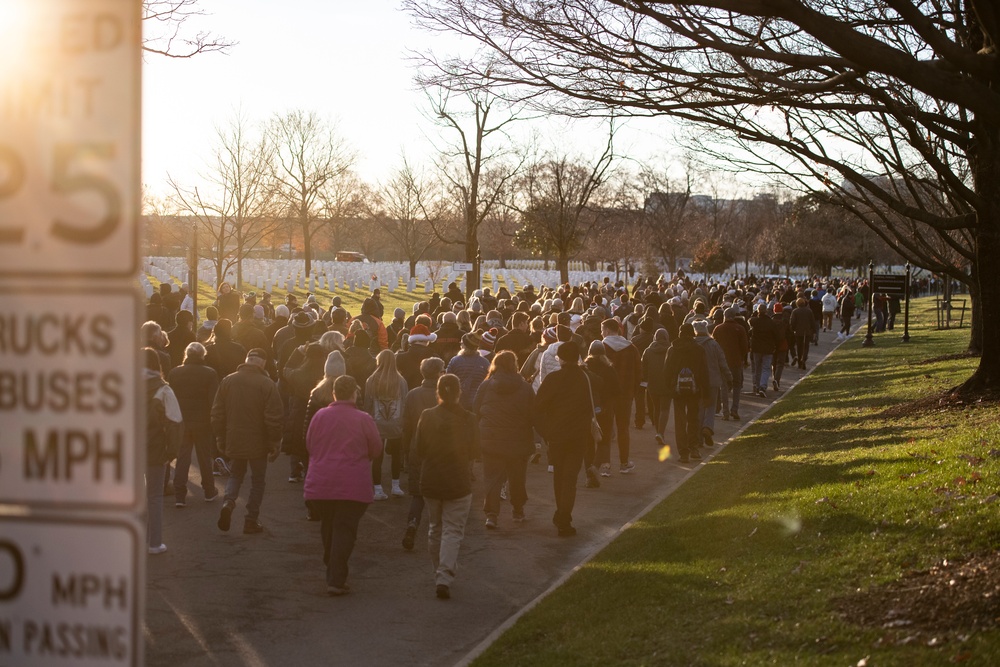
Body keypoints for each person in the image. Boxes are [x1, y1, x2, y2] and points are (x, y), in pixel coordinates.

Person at [304, 375, 383, 596]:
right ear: (355, 394)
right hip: (352, 484)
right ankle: (336, 577)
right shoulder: (363, 419)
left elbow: (309, 444)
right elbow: (376, 449)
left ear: (334, 393)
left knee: (329, 525)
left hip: (320, 483)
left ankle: (332, 565)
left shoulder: (319, 416)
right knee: (345, 529)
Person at [415, 374, 479, 600]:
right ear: (459, 392)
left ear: (438, 392)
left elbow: (418, 449)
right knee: (453, 530)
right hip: (458, 481)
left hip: (431, 479)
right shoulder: (469, 419)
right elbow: (475, 451)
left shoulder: (427, 416)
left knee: (435, 527)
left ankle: (440, 570)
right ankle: (444, 574)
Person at [211, 348, 284, 534]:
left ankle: (228, 502)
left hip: (234, 437)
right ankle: (251, 520)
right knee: (258, 481)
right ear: (263, 363)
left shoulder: (228, 381)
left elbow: (217, 413)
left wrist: (220, 436)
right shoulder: (267, 384)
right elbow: (273, 417)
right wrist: (275, 442)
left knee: (236, 474)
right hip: (259, 441)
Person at [535, 342, 591, 536]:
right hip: (579, 435)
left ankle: (562, 515)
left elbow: (538, 408)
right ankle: (564, 516)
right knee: (570, 478)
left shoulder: (553, 379)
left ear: (560, 358)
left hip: (557, 435)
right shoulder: (585, 378)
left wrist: (546, 433)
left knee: (560, 477)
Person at [475, 351, 535, 529]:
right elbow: (533, 414)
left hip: (490, 439)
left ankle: (492, 515)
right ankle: (518, 509)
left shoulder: (486, 386)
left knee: (492, 479)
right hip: (518, 439)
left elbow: (475, 409)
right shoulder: (525, 387)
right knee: (517, 478)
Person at [400, 356, 446, 551]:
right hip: (442, 451)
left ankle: (412, 523)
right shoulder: (445, 393)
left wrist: (405, 450)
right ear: (439, 373)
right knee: (442, 495)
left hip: (417, 448)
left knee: (418, 495)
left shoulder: (412, 395)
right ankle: (440, 534)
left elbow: (406, 425)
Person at [167, 342, 220, 506]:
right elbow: (214, 401)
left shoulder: (174, 373)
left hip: (182, 421)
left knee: (183, 457)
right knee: (205, 457)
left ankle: (180, 494)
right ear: (202, 355)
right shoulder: (210, 373)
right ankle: (209, 490)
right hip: (203, 422)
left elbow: (171, 399)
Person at [144, 348, 183, 555]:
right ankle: (154, 543)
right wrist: (171, 452)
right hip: (155, 448)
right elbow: (175, 421)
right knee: (154, 496)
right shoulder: (163, 389)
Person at [364, 349, 410, 500]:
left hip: (377, 422)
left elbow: (368, 403)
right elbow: (404, 402)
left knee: (378, 457)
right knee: (396, 454)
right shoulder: (401, 381)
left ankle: (377, 488)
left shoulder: (371, 380)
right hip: (395, 422)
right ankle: (395, 485)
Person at [663, 323, 710, 464]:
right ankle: (694, 448)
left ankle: (683, 453)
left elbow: (666, 371)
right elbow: (704, 372)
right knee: (693, 419)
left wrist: (670, 387)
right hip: (694, 391)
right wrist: (706, 392)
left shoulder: (673, 349)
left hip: (677, 391)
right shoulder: (699, 350)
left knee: (680, 421)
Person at [600, 319, 640, 474]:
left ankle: (605, 464)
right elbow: (638, 372)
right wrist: (633, 392)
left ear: (608, 331)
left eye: (602, 330)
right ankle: (624, 463)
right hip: (625, 395)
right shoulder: (632, 348)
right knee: (623, 429)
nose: (601, 333)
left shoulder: (602, 347)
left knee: (605, 429)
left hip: (606, 395)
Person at [692, 320, 731, 448]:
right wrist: (729, 376)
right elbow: (722, 362)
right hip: (713, 380)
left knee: (700, 407)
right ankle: (707, 427)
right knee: (711, 406)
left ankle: (698, 438)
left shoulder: (693, 344)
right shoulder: (714, 344)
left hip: (697, 382)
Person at [712, 307, 749, 420]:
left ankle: (725, 412)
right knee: (737, 385)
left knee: (723, 386)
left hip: (722, 362)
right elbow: (745, 347)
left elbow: (714, 346)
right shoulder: (740, 328)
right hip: (736, 361)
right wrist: (743, 358)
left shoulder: (718, 329)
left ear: (724, 316)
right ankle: (735, 409)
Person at [788, 297, 817, 370]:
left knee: (799, 347)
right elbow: (812, 322)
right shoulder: (809, 311)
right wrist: (813, 331)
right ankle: (804, 359)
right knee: (806, 347)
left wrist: (793, 329)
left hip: (798, 332)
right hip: (807, 331)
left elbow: (792, 322)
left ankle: (800, 361)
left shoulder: (795, 311)